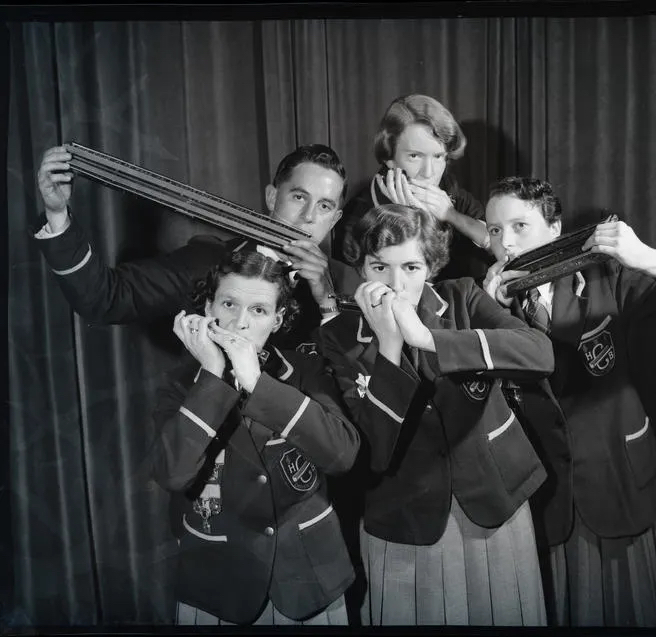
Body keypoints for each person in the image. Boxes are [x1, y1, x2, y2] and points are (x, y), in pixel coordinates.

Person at [482, 177, 656, 627]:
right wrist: (491, 317)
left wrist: (649, 258)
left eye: (519, 226)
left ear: (555, 228)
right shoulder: (486, 303)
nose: (505, 242)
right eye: (494, 230)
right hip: (541, 501)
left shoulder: (608, 276)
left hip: (618, 486)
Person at [318, 203, 555, 626]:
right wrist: (389, 349)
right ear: (360, 268)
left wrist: (427, 339)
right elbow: (371, 453)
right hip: (405, 516)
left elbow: (540, 353)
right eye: (379, 267)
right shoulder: (338, 336)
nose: (395, 284)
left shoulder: (462, 295)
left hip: (494, 496)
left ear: (431, 266)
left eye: (411, 267)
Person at [149, 248, 360, 625]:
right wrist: (212, 375)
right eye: (228, 304)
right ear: (208, 307)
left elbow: (343, 455)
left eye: (258, 310)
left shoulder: (306, 370)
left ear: (278, 320)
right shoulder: (181, 383)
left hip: (309, 578)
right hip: (218, 584)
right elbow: (172, 474)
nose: (239, 323)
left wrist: (257, 384)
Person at [31, 143, 362, 351]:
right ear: (272, 197)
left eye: (324, 206)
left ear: (335, 219)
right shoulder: (209, 259)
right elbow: (106, 299)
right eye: (299, 197)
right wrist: (57, 214)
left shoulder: (351, 284)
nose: (308, 217)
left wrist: (326, 297)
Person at [332, 94, 492, 282]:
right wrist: (414, 220)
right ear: (389, 158)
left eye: (438, 156)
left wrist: (452, 216)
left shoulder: (450, 191)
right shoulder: (358, 217)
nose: (429, 172)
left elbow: (503, 247)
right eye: (415, 156)